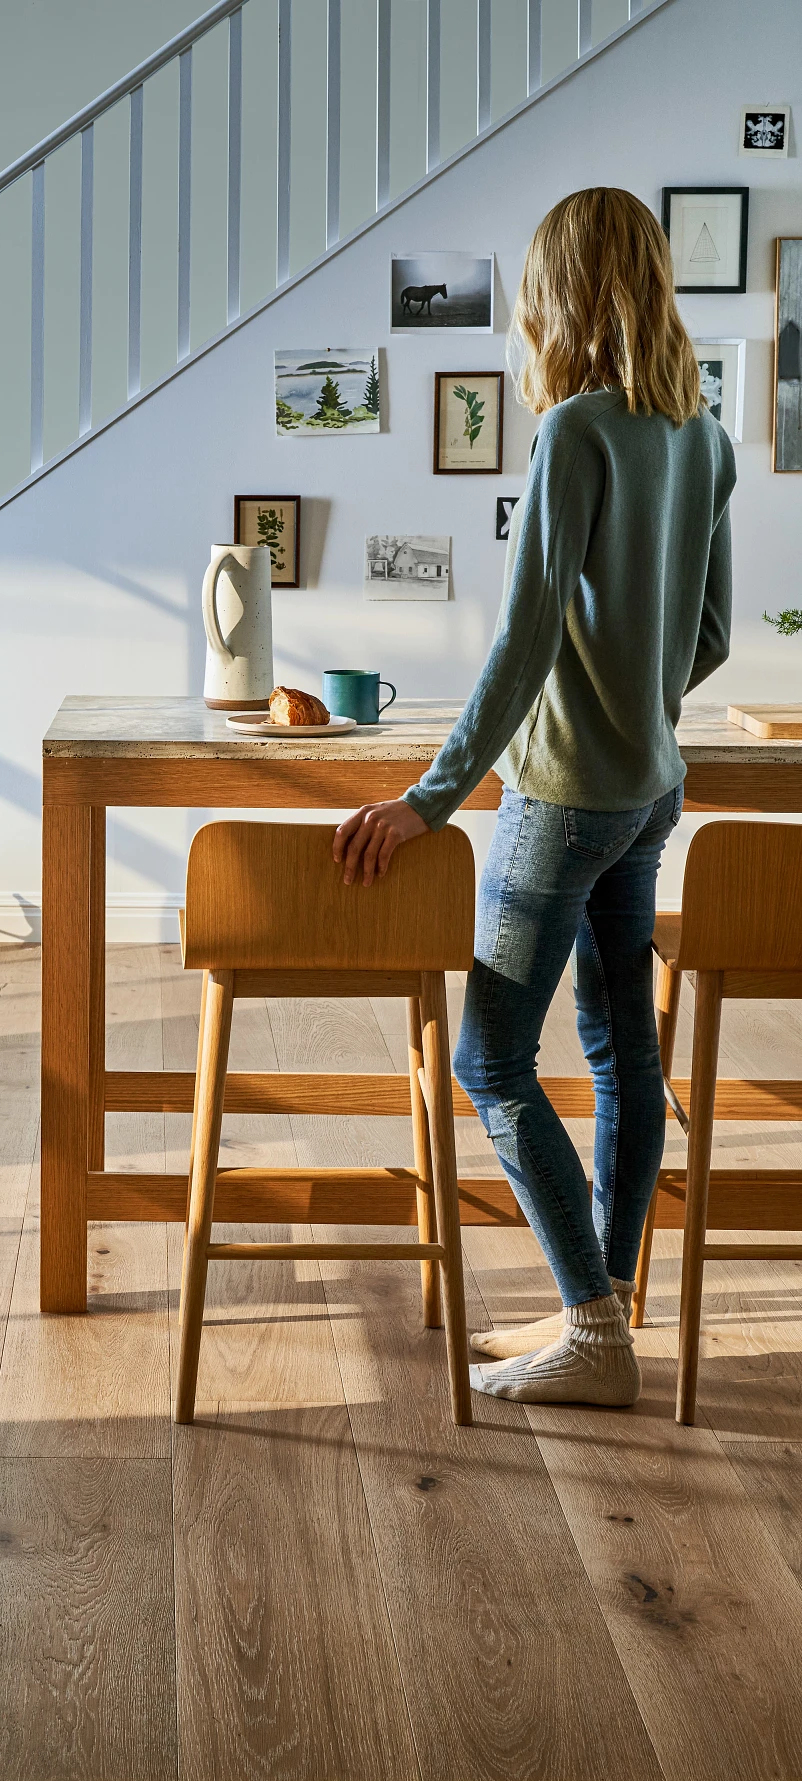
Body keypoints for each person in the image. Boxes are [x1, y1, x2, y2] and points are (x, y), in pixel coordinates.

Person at [333, 187, 735, 1407]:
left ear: (558, 290)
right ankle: (600, 1325)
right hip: (647, 792)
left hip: (558, 799)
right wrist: (639, 701)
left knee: (491, 1062)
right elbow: (708, 634)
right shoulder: (700, 431)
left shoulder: (571, 431)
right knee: (621, 1058)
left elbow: (519, 641)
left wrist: (430, 795)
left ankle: (589, 1325)